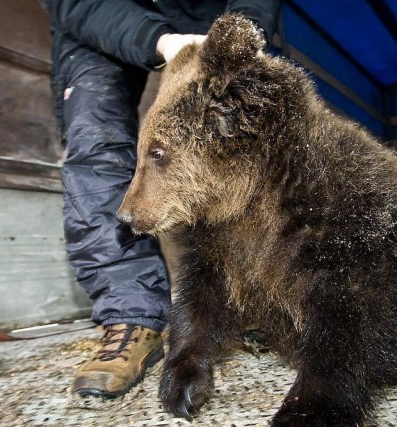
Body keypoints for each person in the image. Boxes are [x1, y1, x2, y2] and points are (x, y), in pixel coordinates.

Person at [41, 0, 281, 401]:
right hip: (99, 21)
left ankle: (245, 297)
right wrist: (161, 41)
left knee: (240, 143)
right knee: (95, 137)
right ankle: (130, 315)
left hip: (208, 20)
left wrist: (242, 35)